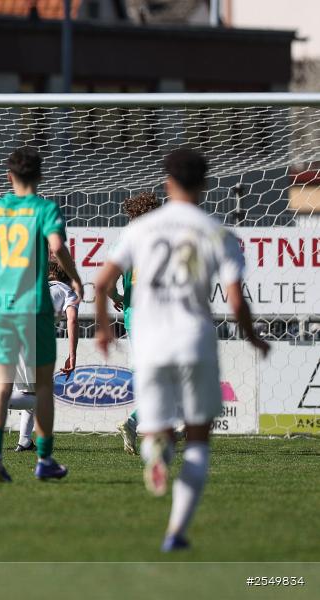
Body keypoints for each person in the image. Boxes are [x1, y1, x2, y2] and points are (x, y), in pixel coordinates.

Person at [94, 148, 269, 552]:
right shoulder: (216, 231)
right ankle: (175, 532)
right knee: (197, 439)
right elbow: (236, 300)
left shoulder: (140, 229)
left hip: (149, 341)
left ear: (167, 182)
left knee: (155, 430)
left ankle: (155, 452)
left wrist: (103, 329)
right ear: (204, 183)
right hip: (194, 341)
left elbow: (102, 284)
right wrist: (252, 336)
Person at [0, 146, 83, 482]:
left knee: (4, 385)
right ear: (40, 175)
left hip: (2, 306)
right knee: (43, 388)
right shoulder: (45, 208)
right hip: (34, 307)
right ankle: (44, 459)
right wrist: (75, 276)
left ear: (9, 176)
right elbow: (57, 247)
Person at [0, 257, 80, 453]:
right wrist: (72, 354)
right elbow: (72, 320)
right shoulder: (66, 291)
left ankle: (25, 441)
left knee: (28, 394)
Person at [110, 192, 162, 455]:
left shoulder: (125, 241)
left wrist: (116, 297)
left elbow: (108, 281)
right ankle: (138, 422)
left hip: (134, 315)